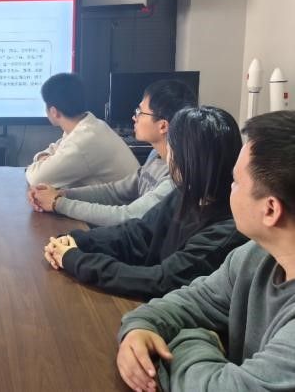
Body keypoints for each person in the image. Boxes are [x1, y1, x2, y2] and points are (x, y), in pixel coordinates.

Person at [116, 111, 295, 392]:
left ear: (270, 209)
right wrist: (140, 328)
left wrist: (194, 337)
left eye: (236, 182)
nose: (229, 189)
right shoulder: (254, 256)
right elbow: (188, 301)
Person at [43, 106, 248, 300]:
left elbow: (160, 280)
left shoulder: (226, 230)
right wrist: (76, 241)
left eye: (172, 149)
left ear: (189, 158)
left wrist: (76, 260)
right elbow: (137, 233)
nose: (168, 157)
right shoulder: (186, 194)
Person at [28, 79, 197, 226]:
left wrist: (58, 203)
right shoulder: (155, 156)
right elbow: (116, 191)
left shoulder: (177, 176)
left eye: (140, 112)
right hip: (125, 234)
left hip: (136, 243)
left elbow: (127, 216)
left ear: (163, 126)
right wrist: (63, 194)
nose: (134, 117)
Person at [25, 73, 138, 188]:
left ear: (54, 112)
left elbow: (36, 178)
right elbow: (55, 148)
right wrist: (42, 157)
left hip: (123, 199)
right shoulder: (90, 125)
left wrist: (40, 164)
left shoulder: (82, 141)